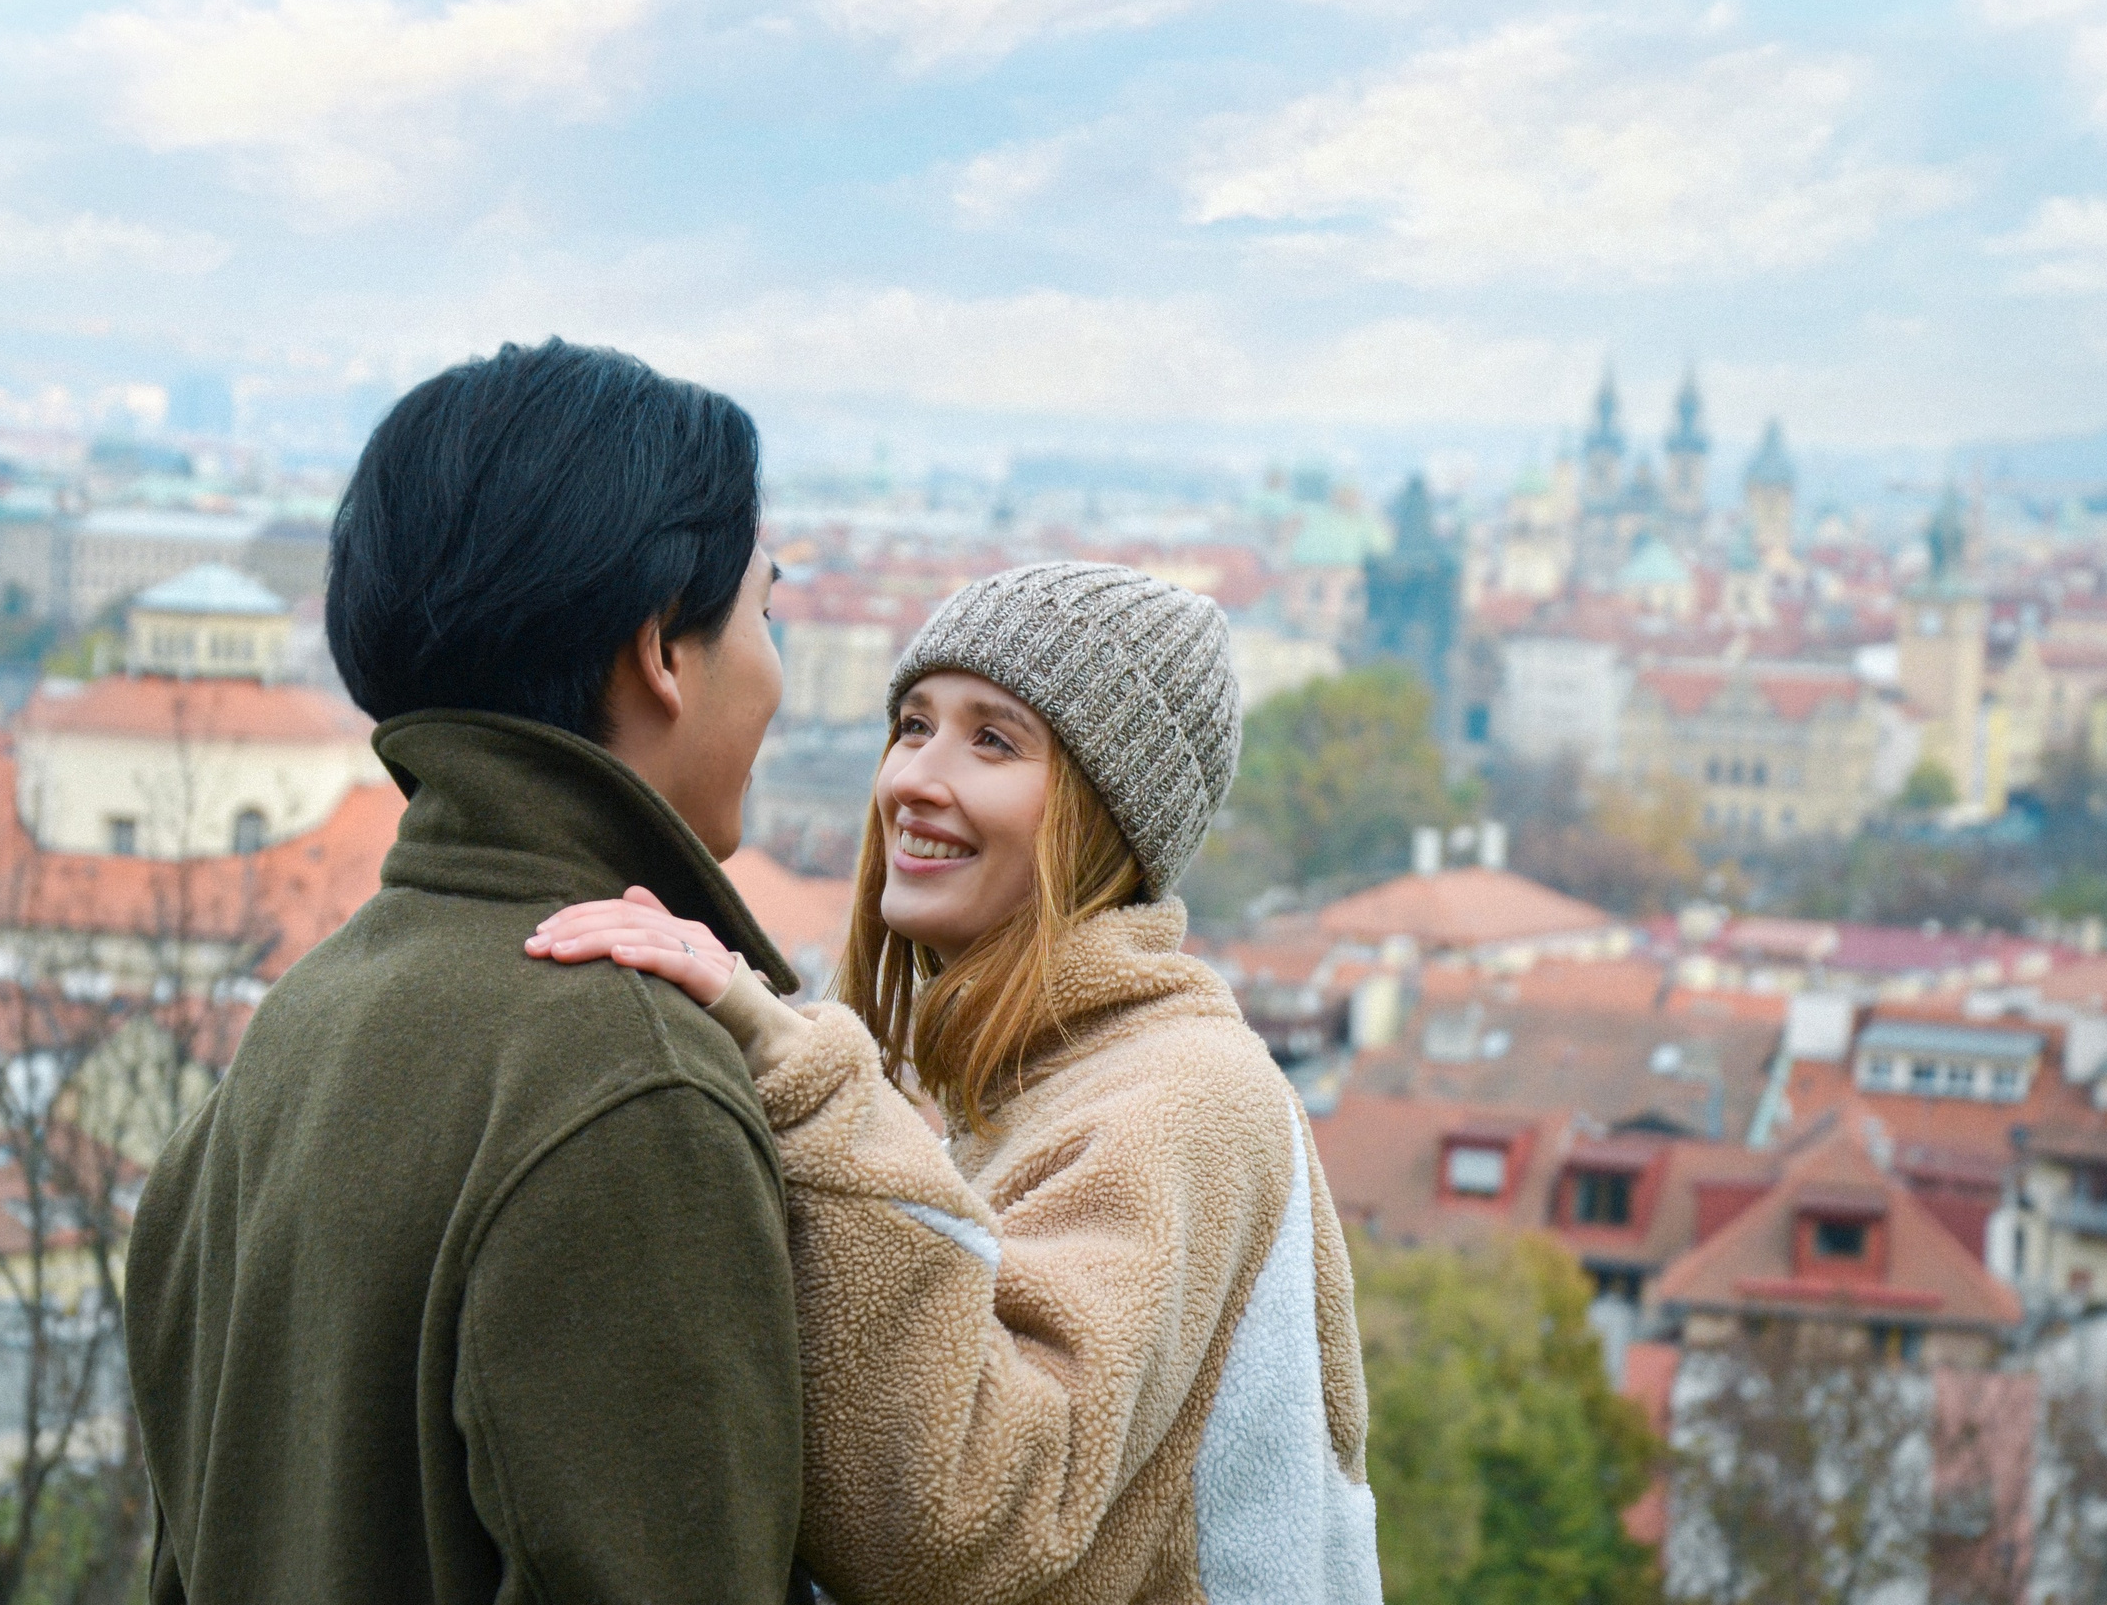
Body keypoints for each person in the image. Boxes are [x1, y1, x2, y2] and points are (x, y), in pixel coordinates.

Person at [530, 561, 1381, 1605]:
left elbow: (961, 1520)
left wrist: (800, 1077)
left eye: (993, 739)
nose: (913, 780)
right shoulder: (1036, 1075)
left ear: (1106, 816)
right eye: (913, 724)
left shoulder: (1182, 1097)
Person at [125, 339, 813, 1604]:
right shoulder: (629, 1087)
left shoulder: (301, 1022)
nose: (777, 670)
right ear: (662, 646)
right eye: (767, 609)